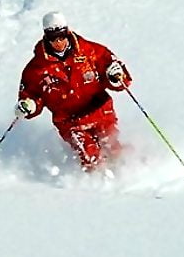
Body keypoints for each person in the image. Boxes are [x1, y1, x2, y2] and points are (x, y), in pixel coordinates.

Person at [16, 11, 132, 172]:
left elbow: (120, 79)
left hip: (100, 112)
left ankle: (132, 171)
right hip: (70, 123)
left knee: (112, 147)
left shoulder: (91, 51)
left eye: (61, 36)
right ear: (46, 38)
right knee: (90, 155)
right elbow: (31, 97)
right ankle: (99, 187)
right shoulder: (36, 69)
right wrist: (28, 105)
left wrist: (115, 75)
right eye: (53, 38)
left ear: (67, 33)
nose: (58, 42)